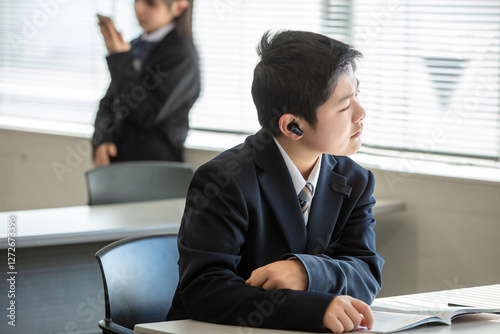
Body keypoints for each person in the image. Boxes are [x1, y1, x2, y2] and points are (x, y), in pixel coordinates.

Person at [167, 30, 384, 333]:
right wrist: (312, 309)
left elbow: (366, 274)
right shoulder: (223, 179)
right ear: (293, 125)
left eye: (356, 95)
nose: (361, 114)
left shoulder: (355, 180)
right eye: (345, 105)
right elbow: (205, 290)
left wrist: (306, 273)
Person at [92, 0, 200, 166]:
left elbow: (146, 114)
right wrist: (102, 140)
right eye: (136, 0)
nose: (139, 9)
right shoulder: (134, 45)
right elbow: (109, 101)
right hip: (118, 164)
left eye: (151, 3)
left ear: (179, 6)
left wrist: (120, 59)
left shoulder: (181, 56)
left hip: (154, 169)